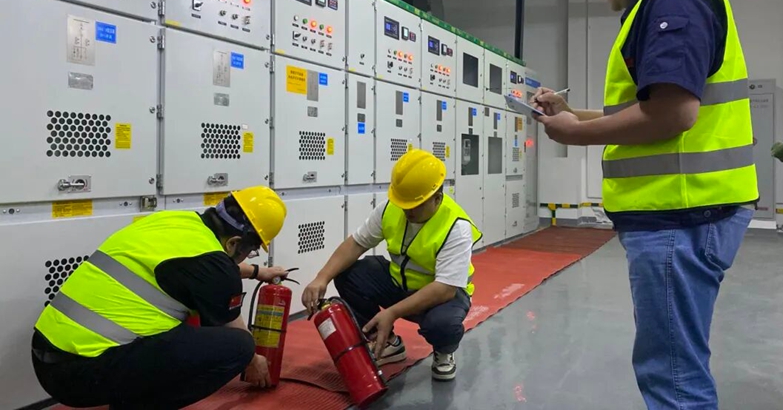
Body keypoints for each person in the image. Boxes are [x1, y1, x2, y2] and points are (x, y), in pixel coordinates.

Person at [531, 0, 759, 410]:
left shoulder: (672, 0)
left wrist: (573, 135)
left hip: (683, 215)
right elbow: (651, 106)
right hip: (683, 213)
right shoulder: (665, 0)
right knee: (673, 366)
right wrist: (571, 114)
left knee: (673, 377)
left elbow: (673, 115)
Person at [31, 186, 291, 409]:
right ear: (234, 243)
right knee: (239, 347)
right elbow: (232, 326)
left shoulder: (176, 221)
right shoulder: (215, 266)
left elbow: (196, 266)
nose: (248, 256)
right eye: (251, 251)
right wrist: (254, 360)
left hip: (48, 353)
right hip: (78, 375)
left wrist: (257, 272)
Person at [302, 150, 482, 381]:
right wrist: (322, 277)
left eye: (415, 205)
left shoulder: (456, 226)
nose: (408, 211)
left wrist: (392, 313)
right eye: (403, 203)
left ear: (437, 198)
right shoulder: (392, 208)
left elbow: (444, 289)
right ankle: (387, 343)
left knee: (443, 325)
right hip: (399, 285)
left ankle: (444, 351)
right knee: (350, 274)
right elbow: (356, 243)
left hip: (442, 296)